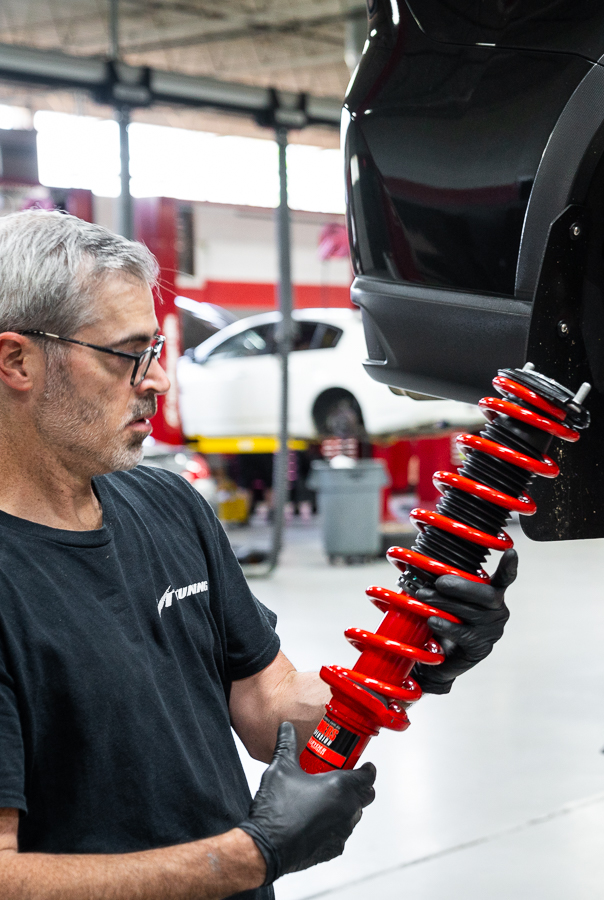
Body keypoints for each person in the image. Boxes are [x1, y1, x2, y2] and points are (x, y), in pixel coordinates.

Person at [0, 211, 513, 900]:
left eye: (156, 351)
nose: (158, 382)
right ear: (18, 361)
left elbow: (266, 703)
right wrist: (249, 857)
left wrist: (415, 659)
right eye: (127, 355)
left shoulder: (169, 504)